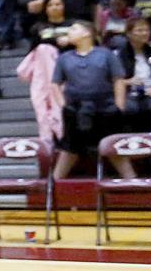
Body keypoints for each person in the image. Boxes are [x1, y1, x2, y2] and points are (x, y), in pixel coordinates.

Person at [51, 22, 135, 180]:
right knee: (69, 150)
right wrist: (63, 105)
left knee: (114, 149)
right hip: (75, 110)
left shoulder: (106, 54)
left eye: (74, 28)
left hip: (105, 108)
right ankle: (53, 187)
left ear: (87, 33)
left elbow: (118, 79)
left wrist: (119, 105)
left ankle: (133, 183)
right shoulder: (64, 58)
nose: (69, 32)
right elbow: (55, 83)